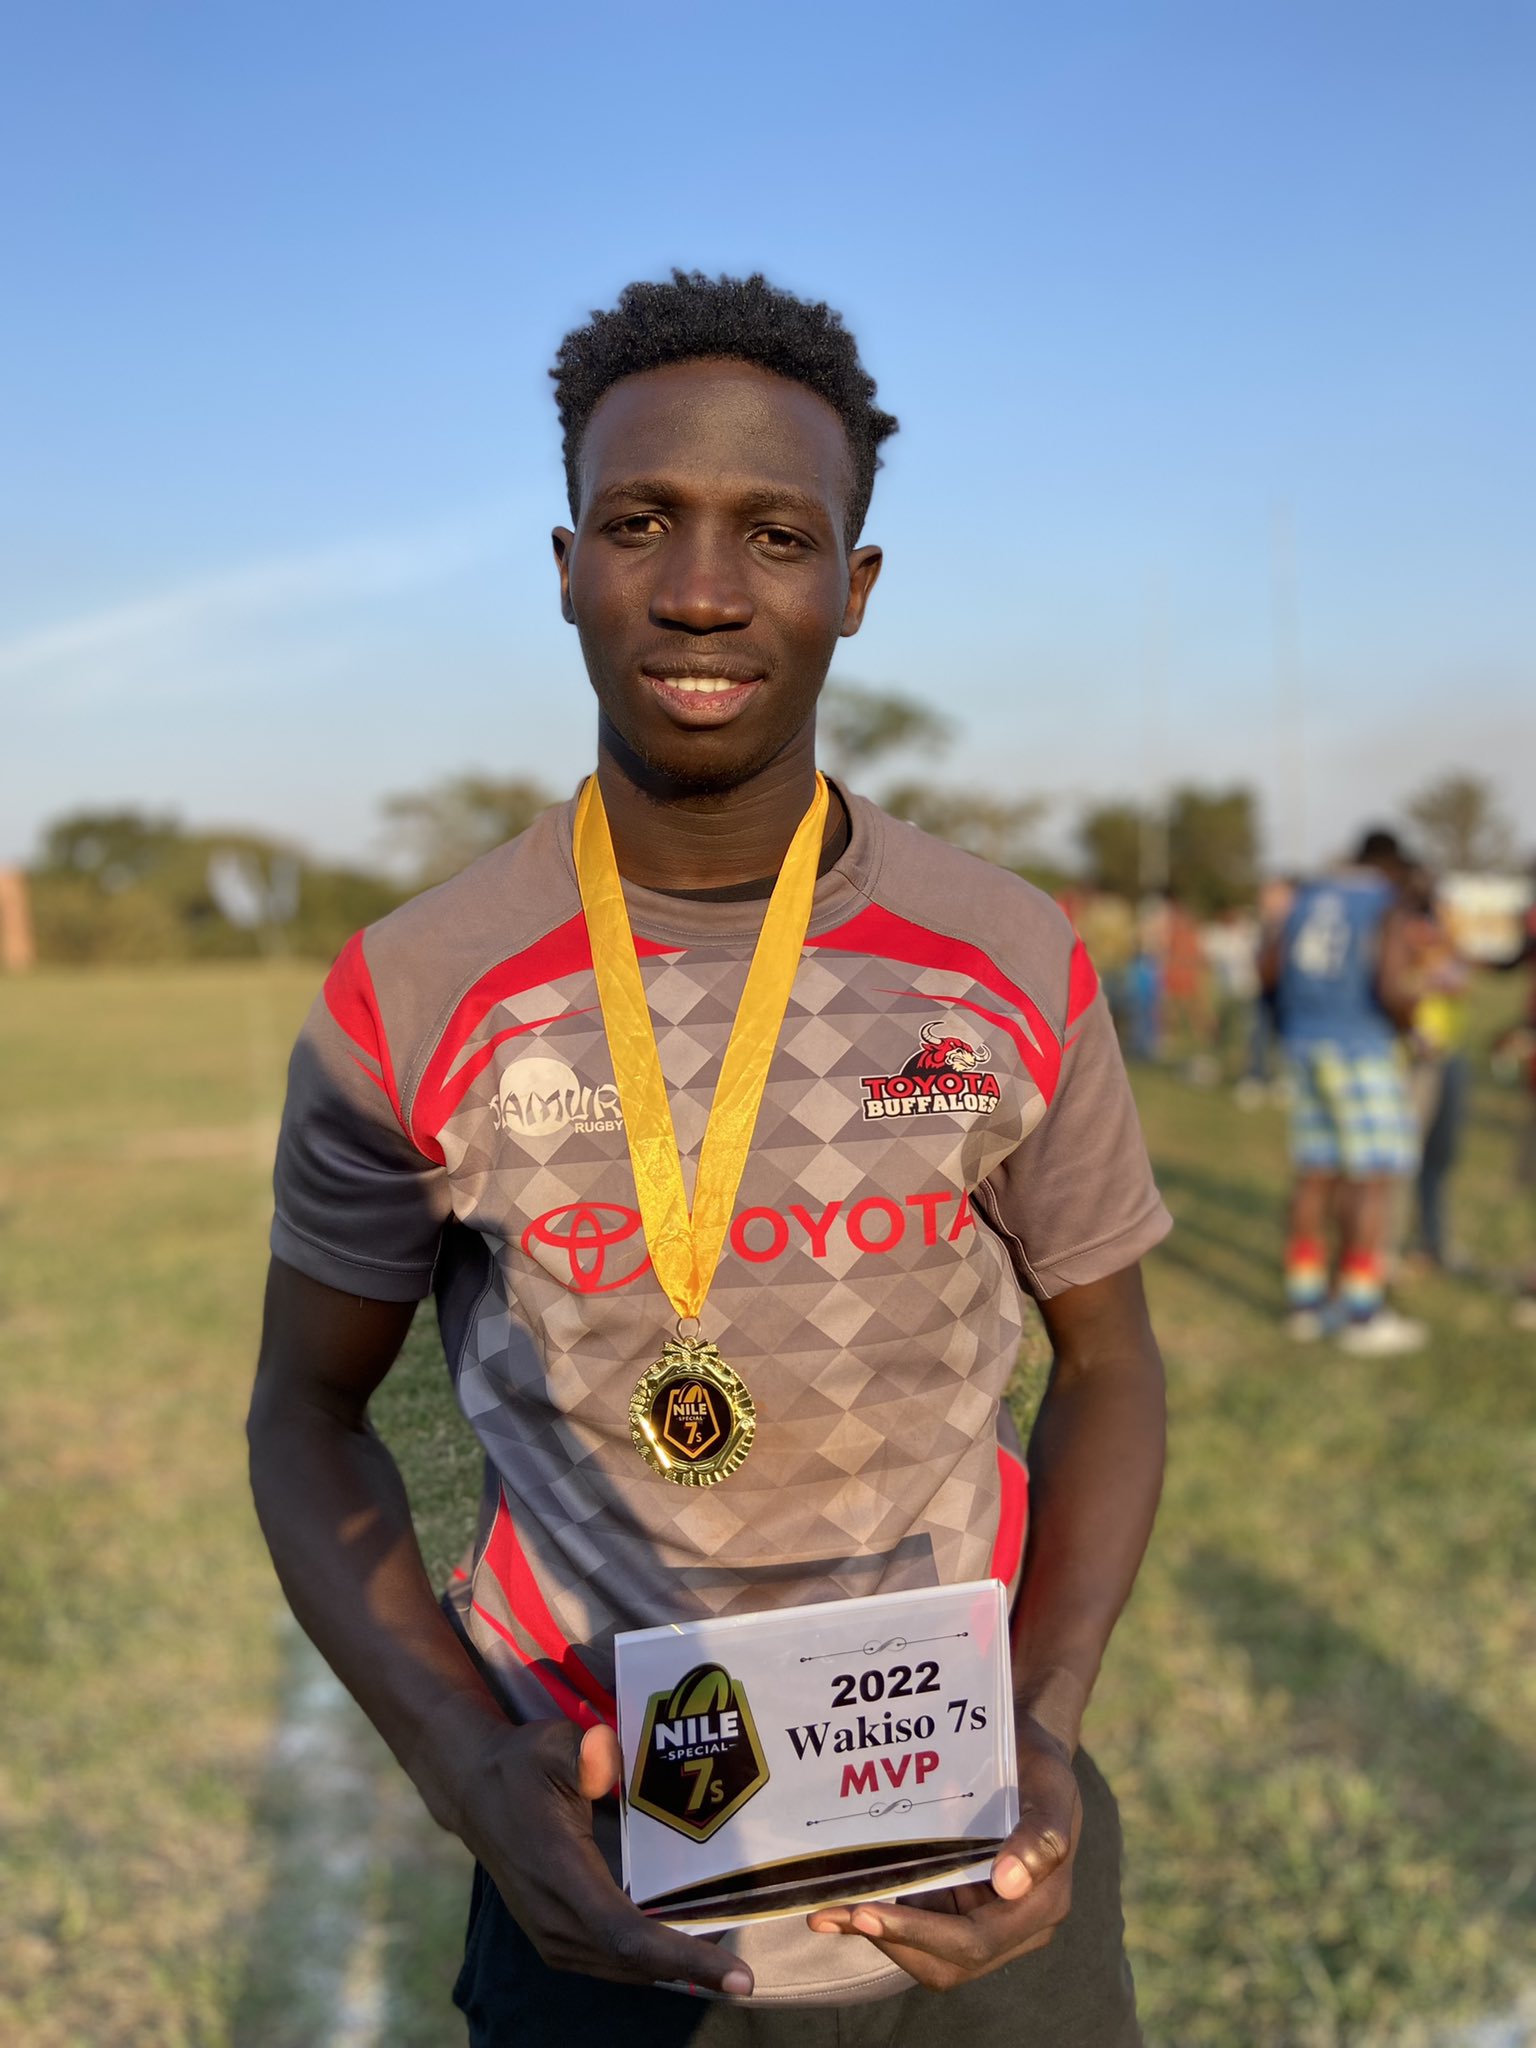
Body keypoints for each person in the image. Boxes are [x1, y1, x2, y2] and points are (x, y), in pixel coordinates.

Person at [247, 271, 1171, 2045]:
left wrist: (1046, 1720)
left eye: (776, 534)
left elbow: (1113, 1361)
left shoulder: (1006, 954)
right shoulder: (413, 989)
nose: (699, 588)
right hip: (599, 1868)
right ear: (567, 565)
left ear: (855, 586)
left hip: (974, 1854)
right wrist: (461, 1763)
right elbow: (305, 1410)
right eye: (639, 522)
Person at [1264, 829, 1426, 1354]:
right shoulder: (1384, 900)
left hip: (1305, 1042)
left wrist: (1290, 1020)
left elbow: (1268, 965)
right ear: (1392, 865)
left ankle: (1305, 1304)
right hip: (1361, 1046)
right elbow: (1390, 983)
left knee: (1315, 1173)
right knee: (1372, 1179)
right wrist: (1414, 1028)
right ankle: (1361, 1312)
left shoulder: (1309, 895)